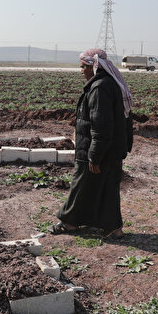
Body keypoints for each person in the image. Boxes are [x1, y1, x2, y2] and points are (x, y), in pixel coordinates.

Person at [51, 48, 133, 239]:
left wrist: (94, 156)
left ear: (92, 66)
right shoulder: (109, 83)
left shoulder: (99, 88)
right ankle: (114, 228)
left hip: (99, 149)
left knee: (81, 184)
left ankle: (69, 223)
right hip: (111, 149)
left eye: (82, 67)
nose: (81, 71)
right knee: (107, 187)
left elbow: (101, 126)